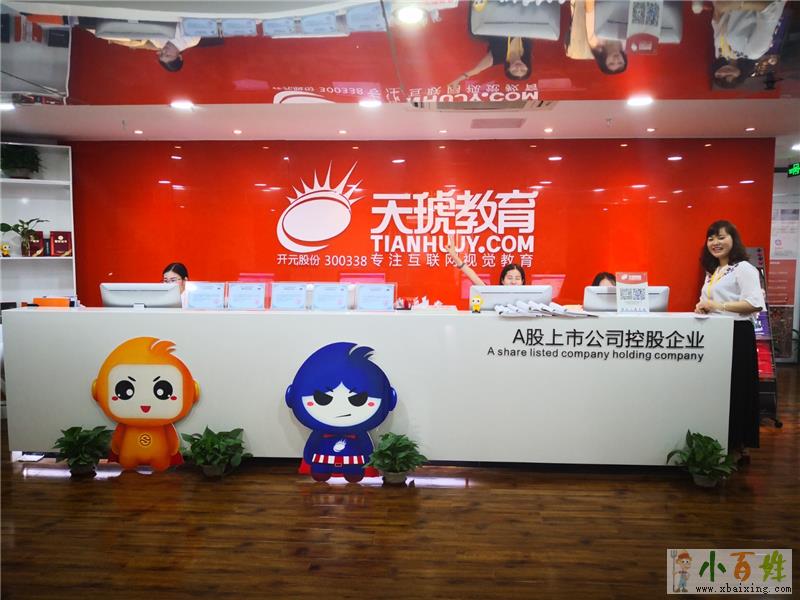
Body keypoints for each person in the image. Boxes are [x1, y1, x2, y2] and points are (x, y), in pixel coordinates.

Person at [695, 220, 765, 461]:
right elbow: (712, 302)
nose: (715, 242)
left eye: (721, 237)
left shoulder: (743, 268)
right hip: (717, 336)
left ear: (733, 239)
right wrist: (704, 307)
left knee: (738, 390)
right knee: (723, 392)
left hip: (738, 335)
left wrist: (717, 305)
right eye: (711, 238)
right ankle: (729, 441)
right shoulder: (714, 271)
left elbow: (754, 303)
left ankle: (738, 444)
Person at [448, 35, 532, 91]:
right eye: (523, 70)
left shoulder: (497, 57)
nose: (518, 68)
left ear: (508, 69)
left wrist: (457, 80)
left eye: (514, 71)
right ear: (527, 67)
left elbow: (477, 70)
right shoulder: (526, 51)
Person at [570, 0, 627, 74]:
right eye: (620, 62)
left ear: (603, 61)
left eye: (611, 63)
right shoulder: (628, 42)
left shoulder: (594, 40)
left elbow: (589, 10)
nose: (616, 59)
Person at [446, 237, 525, 286]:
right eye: (510, 278)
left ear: (522, 282)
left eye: (517, 278)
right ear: (502, 280)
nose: (513, 282)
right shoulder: (492, 293)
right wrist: (456, 258)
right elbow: (474, 277)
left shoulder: (529, 299)